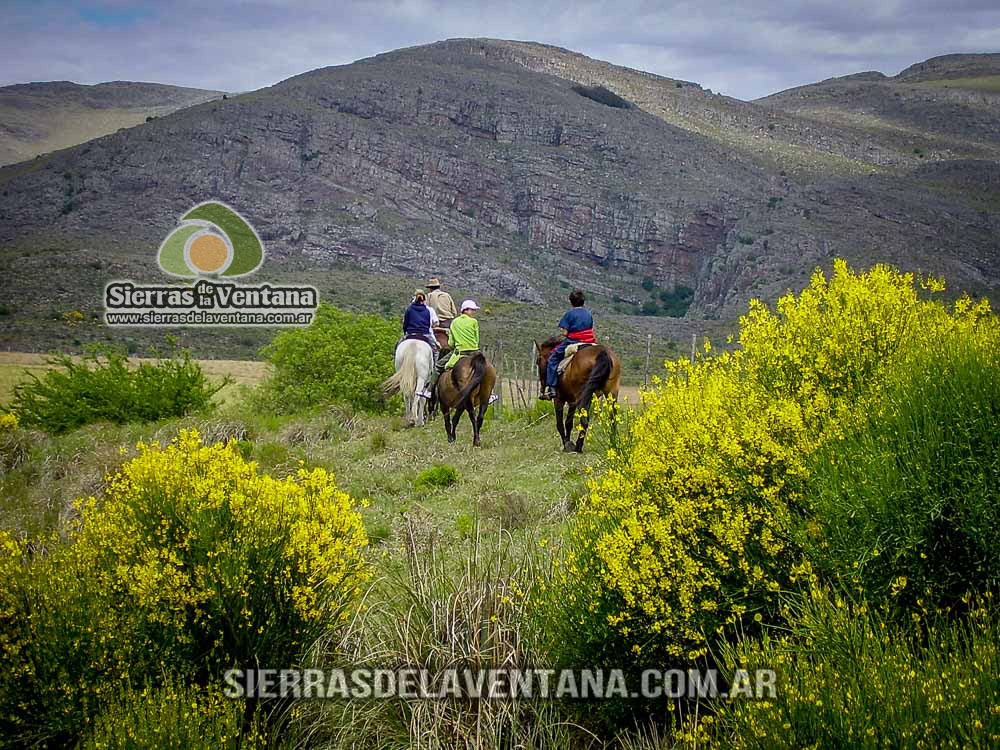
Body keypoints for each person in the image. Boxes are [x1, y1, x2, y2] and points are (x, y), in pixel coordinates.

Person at [539, 289, 596, 400]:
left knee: (552, 359)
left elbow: (565, 333)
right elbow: (590, 328)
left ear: (571, 302)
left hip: (574, 342)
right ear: (583, 302)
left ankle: (551, 388)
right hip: (589, 342)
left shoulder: (569, 314)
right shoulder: (589, 313)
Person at [402, 290, 437, 354]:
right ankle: (434, 363)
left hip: (411, 333)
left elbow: (405, 324)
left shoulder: (409, 309)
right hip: (425, 334)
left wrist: (405, 332)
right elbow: (428, 325)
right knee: (435, 351)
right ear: (424, 300)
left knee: (398, 346)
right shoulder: (427, 311)